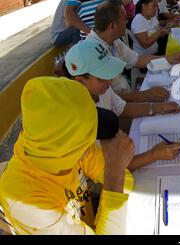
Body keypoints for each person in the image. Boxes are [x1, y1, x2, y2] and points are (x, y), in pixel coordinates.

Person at [0, 76, 135, 234]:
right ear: (67, 146)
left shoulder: (56, 146)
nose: (92, 140)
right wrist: (114, 173)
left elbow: (127, 181)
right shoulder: (26, 202)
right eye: (87, 133)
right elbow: (119, 179)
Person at [63, 39, 180, 168]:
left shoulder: (101, 89)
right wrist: (153, 155)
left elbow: (122, 108)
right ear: (80, 80)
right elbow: (108, 170)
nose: (110, 82)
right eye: (103, 77)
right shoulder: (77, 120)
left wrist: (157, 107)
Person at [86, 0, 180, 101]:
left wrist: (170, 58)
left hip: (126, 97)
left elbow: (137, 60)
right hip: (120, 107)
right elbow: (108, 101)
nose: (127, 22)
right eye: (124, 19)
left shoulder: (114, 41)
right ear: (112, 25)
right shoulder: (91, 52)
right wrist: (145, 96)